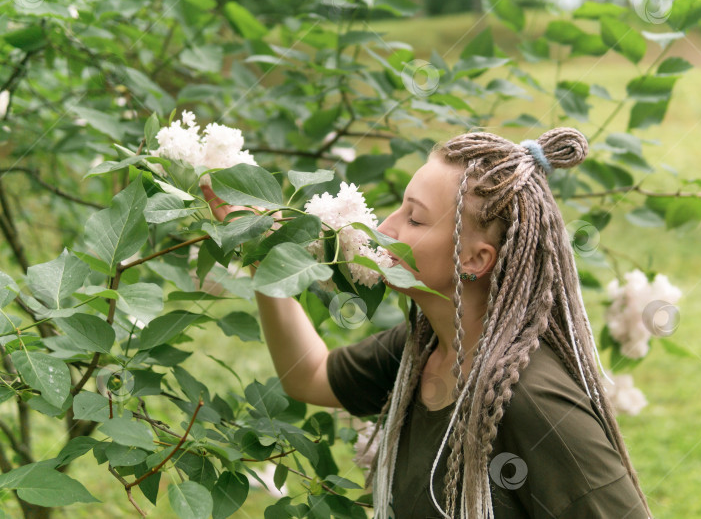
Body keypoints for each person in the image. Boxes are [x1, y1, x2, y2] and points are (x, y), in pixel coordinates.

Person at [203, 127, 652, 519]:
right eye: (400, 208)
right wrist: (261, 253)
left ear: (476, 259)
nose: (388, 227)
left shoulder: (533, 402)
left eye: (415, 217)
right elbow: (309, 376)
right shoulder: (423, 348)